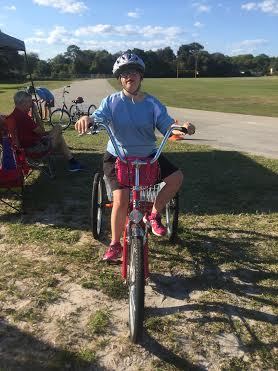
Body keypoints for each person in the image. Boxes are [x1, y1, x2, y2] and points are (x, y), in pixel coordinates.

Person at [75, 51, 196, 262]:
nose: (128, 76)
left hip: (148, 156)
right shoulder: (111, 102)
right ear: (119, 79)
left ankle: (154, 214)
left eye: (133, 72)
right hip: (118, 157)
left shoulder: (152, 103)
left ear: (141, 76)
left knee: (176, 178)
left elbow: (168, 125)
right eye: (124, 74)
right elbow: (98, 117)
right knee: (121, 199)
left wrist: (183, 127)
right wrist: (88, 118)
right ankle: (115, 244)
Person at [7, 90, 83, 172]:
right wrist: (36, 113)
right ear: (22, 103)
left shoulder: (14, 115)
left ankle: (72, 162)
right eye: (29, 102)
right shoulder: (23, 117)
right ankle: (72, 162)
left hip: (25, 148)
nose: (31, 105)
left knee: (58, 135)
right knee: (58, 128)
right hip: (34, 149)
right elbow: (42, 130)